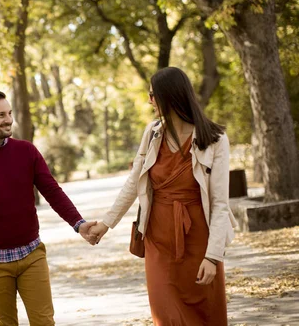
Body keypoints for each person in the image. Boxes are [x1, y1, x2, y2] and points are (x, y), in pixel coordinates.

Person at [88, 67, 238, 326]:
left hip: (199, 239)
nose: (149, 101)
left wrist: (213, 257)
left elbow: (220, 203)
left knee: (205, 314)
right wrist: (106, 224)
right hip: (158, 238)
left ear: (169, 96)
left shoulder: (214, 139)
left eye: (152, 95)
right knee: (165, 313)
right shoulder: (152, 133)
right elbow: (134, 182)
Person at [0, 90, 97, 326]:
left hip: (31, 255)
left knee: (44, 322)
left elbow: (52, 191)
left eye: (9, 113)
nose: (8, 119)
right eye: (0, 115)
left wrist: (79, 224)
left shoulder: (27, 151)